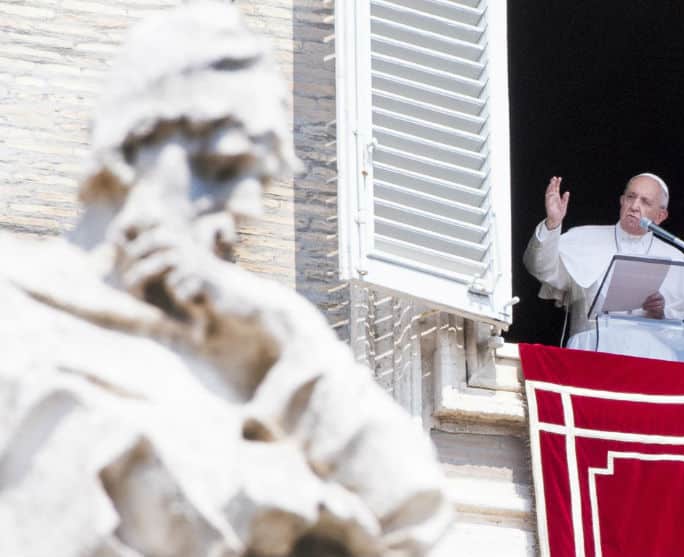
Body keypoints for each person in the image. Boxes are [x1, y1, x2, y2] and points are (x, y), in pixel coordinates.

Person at [0, 4, 450, 556]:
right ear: (128, 145)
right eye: (220, 164)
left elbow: (420, 520)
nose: (244, 205)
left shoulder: (261, 352)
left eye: (256, 180)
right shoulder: (15, 307)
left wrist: (288, 336)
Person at [523, 173, 684, 362]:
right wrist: (552, 224)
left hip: (655, 363)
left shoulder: (678, 260)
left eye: (645, 202)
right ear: (622, 201)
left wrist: (662, 315)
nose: (635, 206)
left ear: (661, 215)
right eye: (631, 197)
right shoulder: (583, 239)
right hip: (590, 356)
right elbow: (540, 267)